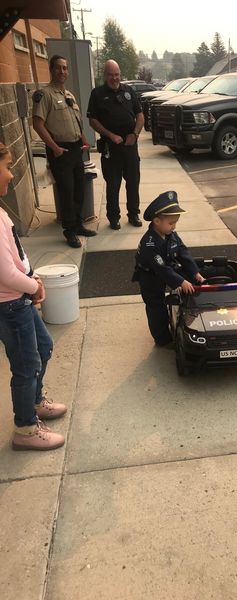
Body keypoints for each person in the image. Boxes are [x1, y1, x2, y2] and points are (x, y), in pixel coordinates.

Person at [0, 143, 67, 451]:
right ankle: (26, 429)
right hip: (11, 305)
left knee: (43, 347)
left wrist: (31, 278)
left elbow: (15, 256)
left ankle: (35, 401)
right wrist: (35, 286)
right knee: (26, 366)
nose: (11, 176)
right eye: (7, 166)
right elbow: (5, 274)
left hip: (20, 297)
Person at [32, 54, 96, 249]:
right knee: (66, 192)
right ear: (51, 70)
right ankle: (69, 231)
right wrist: (55, 148)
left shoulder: (69, 95)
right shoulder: (45, 95)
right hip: (60, 151)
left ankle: (77, 225)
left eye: (65, 68)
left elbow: (76, 122)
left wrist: (84, 140)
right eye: (59, 68)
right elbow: (37, 124)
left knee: (79, 189)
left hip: (76, 148)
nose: (63, 71)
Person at [132, 191, 204, 346]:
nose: (174, 226)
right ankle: (163, 339)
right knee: (156, 307)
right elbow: (162, 269)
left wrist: (195, 272)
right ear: (157, 221)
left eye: (175, 222)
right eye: (171, 223)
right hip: (150, 275)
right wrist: (180, 282)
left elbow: (183, 253)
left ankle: (195, 310)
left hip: (168, 268)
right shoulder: (149, 243)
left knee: (191, 281)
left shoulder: (171, 234)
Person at [87, 59, 144, 230]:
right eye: (111, 75)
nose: (114, 78)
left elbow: (139, 115)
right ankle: (113, 217)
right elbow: (92, 120)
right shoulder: (97, 93)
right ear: (105, 75)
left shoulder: (129, 91)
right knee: (113, 185)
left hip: (130, 146)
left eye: (117, 74)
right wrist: (111, 135)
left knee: (133, 183)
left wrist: (135, 134)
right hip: (110, 148)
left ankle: (133, 214)